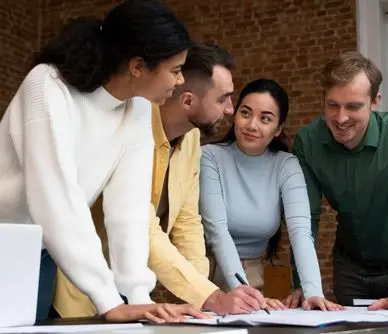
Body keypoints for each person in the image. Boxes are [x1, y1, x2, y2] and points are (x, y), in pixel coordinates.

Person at [0, 0, 207, 323]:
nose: (180, 82)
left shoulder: (137, 108)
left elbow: (131, 210)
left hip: (41, 250)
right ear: (138, 66)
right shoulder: (47, 85)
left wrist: (139, 299)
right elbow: (55, 198)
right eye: (176, 70)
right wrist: (109, 300)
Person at [54, 42, 268, 317]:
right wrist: (210, 296)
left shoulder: (191, 138)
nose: (230, 109)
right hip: (80, 283)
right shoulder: (129, 125)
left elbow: (187, 222)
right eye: (222, 98)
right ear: (188, 100)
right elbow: (144, 226)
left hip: (133, 289)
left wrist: (204, 298)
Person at [284, 51, 388, 311]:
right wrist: (302, 284)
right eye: (332, 105)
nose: (340, 118)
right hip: (351, 270)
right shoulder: (308, 140)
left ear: (375, 102)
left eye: (353, 106)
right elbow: (304, 219)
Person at [199, 78, 343, 311]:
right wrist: (242, 291)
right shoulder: (210, 157)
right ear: (234, 114)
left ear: (277, 129)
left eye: (265, 118)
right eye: (245, 113)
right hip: (206, 279)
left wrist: (313, 292)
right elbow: (217, 230)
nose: (252, 125)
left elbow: (301, 232)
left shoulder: (286, 165)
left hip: (255, 278)